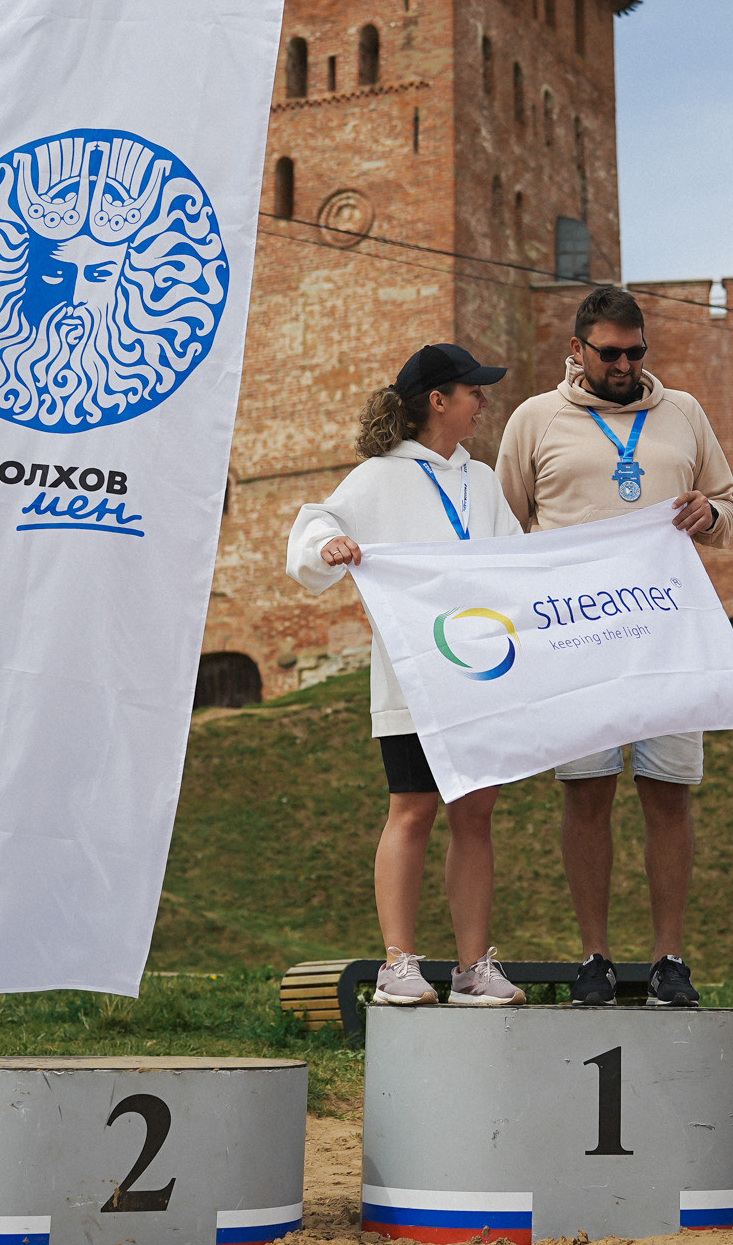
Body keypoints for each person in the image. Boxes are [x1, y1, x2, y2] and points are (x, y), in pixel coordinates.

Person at [495, 284, 733, 1008]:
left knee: (669, 795)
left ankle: (669, 958)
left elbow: (726, 504)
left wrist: (709, 511)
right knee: (586, 790)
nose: (625, 365)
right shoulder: (535, 419)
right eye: (610, 353)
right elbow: (506, 528)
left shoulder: (683, 412)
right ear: (577, 350)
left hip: (667, 632)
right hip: (576, 639)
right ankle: (593, 956)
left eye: (636, 353)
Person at [286, 344, 526, 1007]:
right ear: (436, 401)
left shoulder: (481, 481)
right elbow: (314, 527)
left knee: (476, 812)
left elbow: (514, 560)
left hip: (483, 677)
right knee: (413, 808)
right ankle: (399, 963)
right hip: (412, 679)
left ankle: (474, 967)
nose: (483, 401)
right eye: (472, 390)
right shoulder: (378, 478)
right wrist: (327, 548)